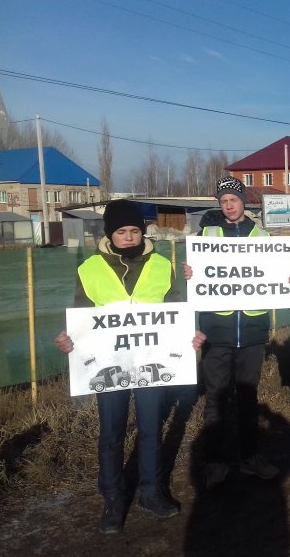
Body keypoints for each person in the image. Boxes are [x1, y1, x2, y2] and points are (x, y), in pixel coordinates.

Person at [54, 199, 194, 534]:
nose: (129, 237)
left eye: (134, 231)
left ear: (142, 232)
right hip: (108, 363)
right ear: (110, 234)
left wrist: (189, 337)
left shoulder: (162, 265)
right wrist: (68, 340)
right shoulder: (89, 269)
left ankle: (150, 491)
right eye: (121, 232)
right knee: (112, 432)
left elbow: (174, 311)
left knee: (150, 428)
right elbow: (80, 318)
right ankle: (114, 499)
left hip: (150, 362)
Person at [182, 176, 279, 486]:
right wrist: (189, 274)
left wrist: (285, 280)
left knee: (249, 397)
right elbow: (197, 275)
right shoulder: (206, 235)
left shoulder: (262, 235)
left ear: (243, 202)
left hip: (252, 330)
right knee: (216, 400)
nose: (229, 205)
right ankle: (215, 461)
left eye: (233, 199)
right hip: (217, 331)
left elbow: (274, 275)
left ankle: (251, 457)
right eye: (223, 200)